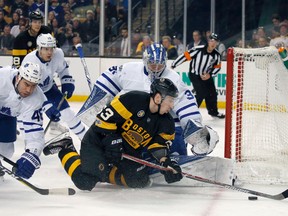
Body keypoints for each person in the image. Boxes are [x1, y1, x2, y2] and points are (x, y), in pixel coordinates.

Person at [77, 43, 219, 156]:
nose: (156, 69)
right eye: (153, 64)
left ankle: (174, 157)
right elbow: (109, 78)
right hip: (137, 126)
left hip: (166, 127)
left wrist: (194, 130)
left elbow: (186, 105)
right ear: (145, 61)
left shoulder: (174, 79)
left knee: (175, 151)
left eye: (160, 65)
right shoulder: (129, 70)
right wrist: (99, 101)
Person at [43, 78, 183, 190]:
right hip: (98, 140)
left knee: (139, 181)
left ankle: (103, 172)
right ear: (158, 98)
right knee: (85, 182)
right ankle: (66, 147)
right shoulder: (133, 100)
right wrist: (113, 141)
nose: (172, 105)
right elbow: (103, 121)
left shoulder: (167, 123)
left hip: (125, 151)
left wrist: (166, 163)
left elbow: (158, 146)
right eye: (170, 100)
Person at [21, 33, 86, 140]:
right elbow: (28, 88)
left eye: (52, 49)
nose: (50, 52)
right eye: (46, 49)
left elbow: (63, 69)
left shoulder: (58, 53)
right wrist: (46, 105)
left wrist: (66, 81)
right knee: (33, 123)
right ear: (39, 48)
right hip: (32, 94)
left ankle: (86, 139)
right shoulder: (30, 61)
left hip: (50, 89)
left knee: (68, 114)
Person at [0, 62, 46, 179]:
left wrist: (31, 156)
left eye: (33, 85)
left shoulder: (36, 98)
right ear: (18, 77)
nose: (29, 90)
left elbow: (35, 132)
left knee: (6, 151)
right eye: (26, 84)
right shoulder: (2, 78)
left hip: (7, 115)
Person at [171, 33, 225, 119]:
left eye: (215, 42)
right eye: (211, 41)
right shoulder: (197, 50)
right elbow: (185, 57)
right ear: (208, 41)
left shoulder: (217, 55)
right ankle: (191, 112)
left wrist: (209, 75)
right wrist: (174, 64)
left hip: (207, 76)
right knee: (201, 93)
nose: (213, 43)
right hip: (195, 75)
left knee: (212, 94)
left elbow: (217, 68)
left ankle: (213, 112)